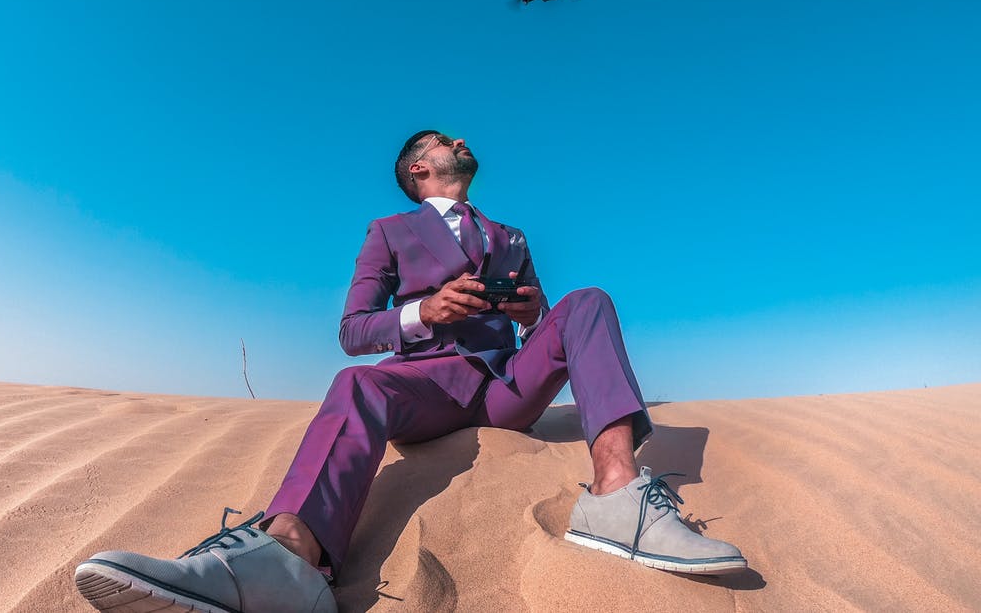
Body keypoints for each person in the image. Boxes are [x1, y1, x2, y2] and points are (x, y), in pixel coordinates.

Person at [74, 130, 747, 613]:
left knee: (589, 301)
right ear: (420, 170)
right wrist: (425, 309)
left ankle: (617, 494)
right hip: (425, 381)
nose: (458, 140)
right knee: (356, 383)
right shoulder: (388, 232)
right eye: (441, 139)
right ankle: (289, 554)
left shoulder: (511, 236)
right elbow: (352, 331)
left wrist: (535, 312)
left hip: (507, 385)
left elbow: (546, 330)